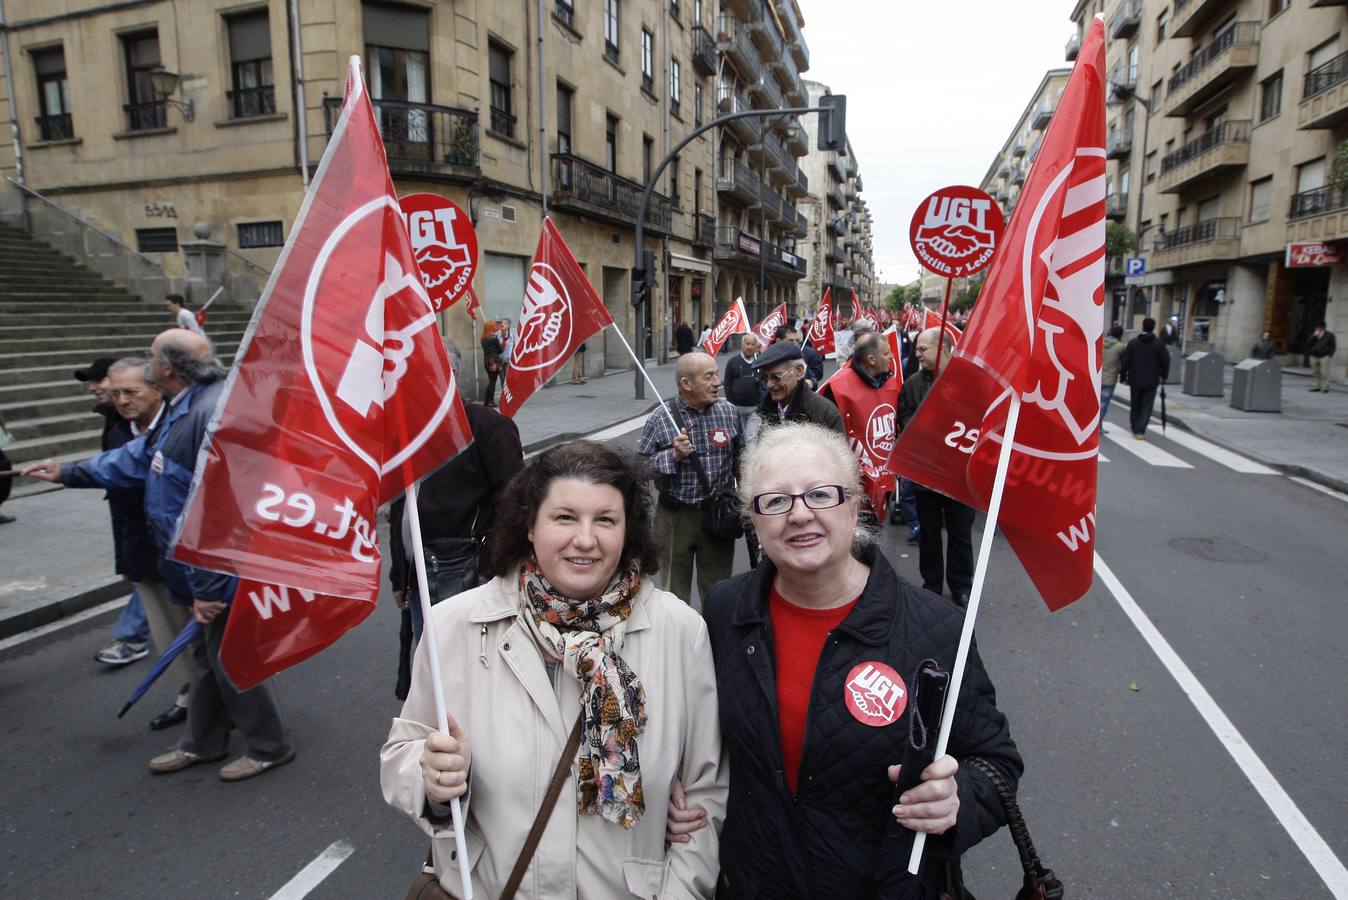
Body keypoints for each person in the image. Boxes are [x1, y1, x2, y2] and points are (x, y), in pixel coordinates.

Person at [680, 422, 1020, 899]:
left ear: (855, 504)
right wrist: (681, 793)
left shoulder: (936, 627)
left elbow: (996, 762)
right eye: (775, 501)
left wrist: (960, 796)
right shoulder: (724, 610)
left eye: (820, 494)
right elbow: (704, 741)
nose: (799, 515)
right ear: (753, 521)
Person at [380, 441, 726, 898]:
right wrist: (428, 776)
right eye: (565, 518)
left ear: (628, 531)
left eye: (605, 520)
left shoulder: (680, 632)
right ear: (529, 526)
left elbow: (704, 793)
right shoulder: (455, 626)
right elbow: (403, 750)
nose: (585, 539)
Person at [25, 331, 295, 781]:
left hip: (216, 569)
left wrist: (207, 588)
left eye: (152, 357)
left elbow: (217, 511)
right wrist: (68, 471)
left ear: (166, 368)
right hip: (193, 568)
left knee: (227, 659)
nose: (148, 363)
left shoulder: (209, 413)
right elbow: (138, 458)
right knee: (209, 659)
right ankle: (204, 741)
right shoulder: (183, 405)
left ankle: (270, 745)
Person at [387, 339, 525, 680]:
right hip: (419, 574)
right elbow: (400, 507)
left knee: (473, 669)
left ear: (448, 373)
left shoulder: (487, 427)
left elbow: (515, 502)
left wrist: (488, 567)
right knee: (432, 667)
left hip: (467, 574)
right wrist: (398, 575)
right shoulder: (405, 431)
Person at [104, 357, 194, 729]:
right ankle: (189, 698)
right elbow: (118, 506)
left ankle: (230, 709)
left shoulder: (179, 428)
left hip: (184, 556)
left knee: (201, 638)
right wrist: (123, 558)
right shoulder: (116, 432)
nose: (122, 400)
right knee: (164, 634)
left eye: (130, 392)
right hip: (144, 554)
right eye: (115, 394)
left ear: (156, 390)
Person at [638, 351, 741, 604]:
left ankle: (714, 638)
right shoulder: (661, 418)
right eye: (709, 377)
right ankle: (681, 640)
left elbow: (741, 460)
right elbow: (637, 469)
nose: (717, 382)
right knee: (674, 589)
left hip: (717, 513)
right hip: (674, 515)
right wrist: (672, 456)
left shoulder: (729, 412)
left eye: (717, 374)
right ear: (686, 384)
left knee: (718, 588)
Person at [75, 356, 153, 666]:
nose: (93, 387)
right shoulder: (117, 424)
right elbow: (119, 488)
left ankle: (132, 637)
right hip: (137, 526)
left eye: (99, 380)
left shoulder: (147, 425)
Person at [899, 327, 974, 605]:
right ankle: (931, 584)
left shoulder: (967, 381)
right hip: (925, 475)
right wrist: (928, 424)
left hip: (958, 476)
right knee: (929, 533)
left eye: (922, 349)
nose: (916, 354)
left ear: (941, 347)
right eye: (916, 349)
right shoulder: (912, 384)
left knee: (960, 534)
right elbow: (904, 420)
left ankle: (961, 585)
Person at [820, 332, 899, 525]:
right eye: (887, 353)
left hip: (884, 477)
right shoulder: (837, 388)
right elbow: (828, 438)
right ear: (871, 359)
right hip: (852, 482)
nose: (892, 357)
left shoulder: (891, 382)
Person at [752, 341, 844, 433]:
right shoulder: (764, 413)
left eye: (776, 377)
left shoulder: (825, 414)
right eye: (764, 378)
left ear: (799, 371)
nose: (769, 384)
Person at [1119, 317, 1170, 438]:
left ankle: (1134, 426)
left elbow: (1125, 360)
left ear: (1142, 326)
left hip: (1135, 378)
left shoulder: (1133, 343)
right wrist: (1164, 375)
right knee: (1147, 405)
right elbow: (1165, 361)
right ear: (1153, 327)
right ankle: (1140, 430)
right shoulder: (1159, 344)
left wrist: (1123, 376)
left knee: (1135, 403)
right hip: (1151, 380)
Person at [723, 333, 762, 432]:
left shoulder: (760, 362)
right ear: (742, 345)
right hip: (737, 408)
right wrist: (731, 403)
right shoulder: (733, 361)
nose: (750, 347)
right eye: (747, 344)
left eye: (752, 344)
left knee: (751, 437)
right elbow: (727, 383)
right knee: (738, 436)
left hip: (754, 408)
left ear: (756, 346)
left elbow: (765, 383)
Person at [1100, 323, 1125, 433]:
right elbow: (1124, 363)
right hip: (1109, 378)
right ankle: (1098, 425)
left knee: (1093, 403)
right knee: (1103, 403)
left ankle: (1094, 424)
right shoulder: (1120, 347)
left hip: (1097, 377)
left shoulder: (1099, 343)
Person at [480, 320, 504, 407]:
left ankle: (487, 401)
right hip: (494, 360)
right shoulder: (494, 338)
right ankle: (490, 401)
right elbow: (500, 350)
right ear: (491, 327)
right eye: (495, 325)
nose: (496, 327)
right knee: (493, 382)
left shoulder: (483, 338)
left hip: (487, 360)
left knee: (491, 381)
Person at [1308, 321, 1337, 392]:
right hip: (1313, 355)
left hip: (1324, 356)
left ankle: (1325, 387)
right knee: (1315, 372)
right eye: (1317, 327)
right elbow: (1308, 344)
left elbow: (1333, 346)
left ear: (1323, 328)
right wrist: (1314, 336)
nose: (1317, 329)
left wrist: (1329, 355)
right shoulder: (1314, 335)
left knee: (1324, 372)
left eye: (1319, 328)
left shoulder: (1330, 335)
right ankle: (1316, 386)